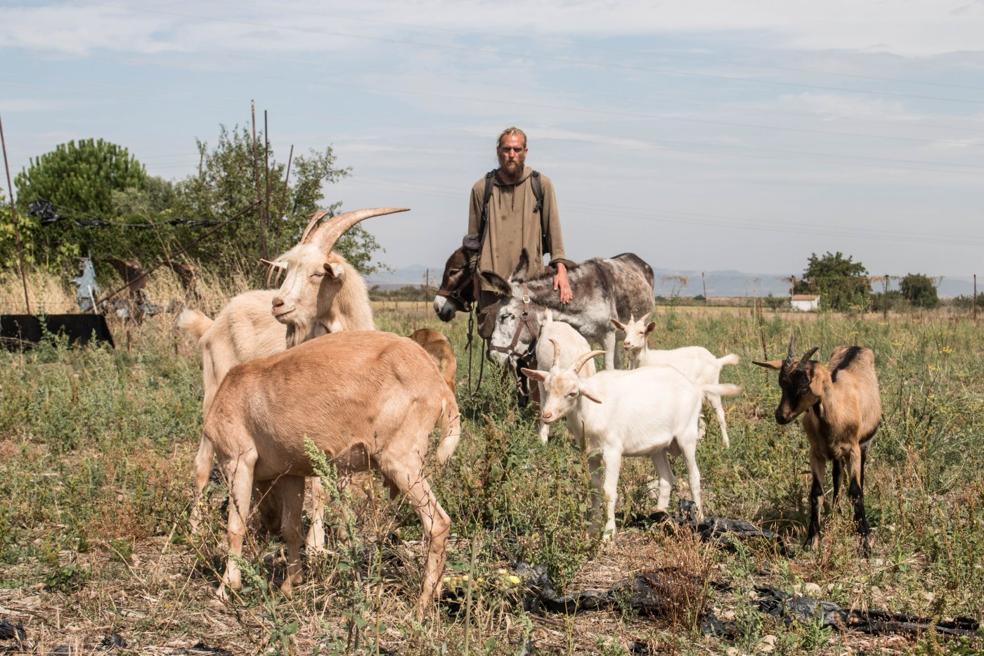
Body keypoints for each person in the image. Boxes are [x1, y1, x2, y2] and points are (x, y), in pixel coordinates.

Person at [467, 127, 573, 334]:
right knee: (495, 348)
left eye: (516, 149)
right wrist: (474, 281)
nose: (511, 155)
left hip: (530, 283)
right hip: (492, 284)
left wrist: (562, 271)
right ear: (498, 151)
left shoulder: (540, 184)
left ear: (525, 151)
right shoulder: (482, 188)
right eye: (507, 149)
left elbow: (554, 231)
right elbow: (473, 241)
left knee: (531, 343)